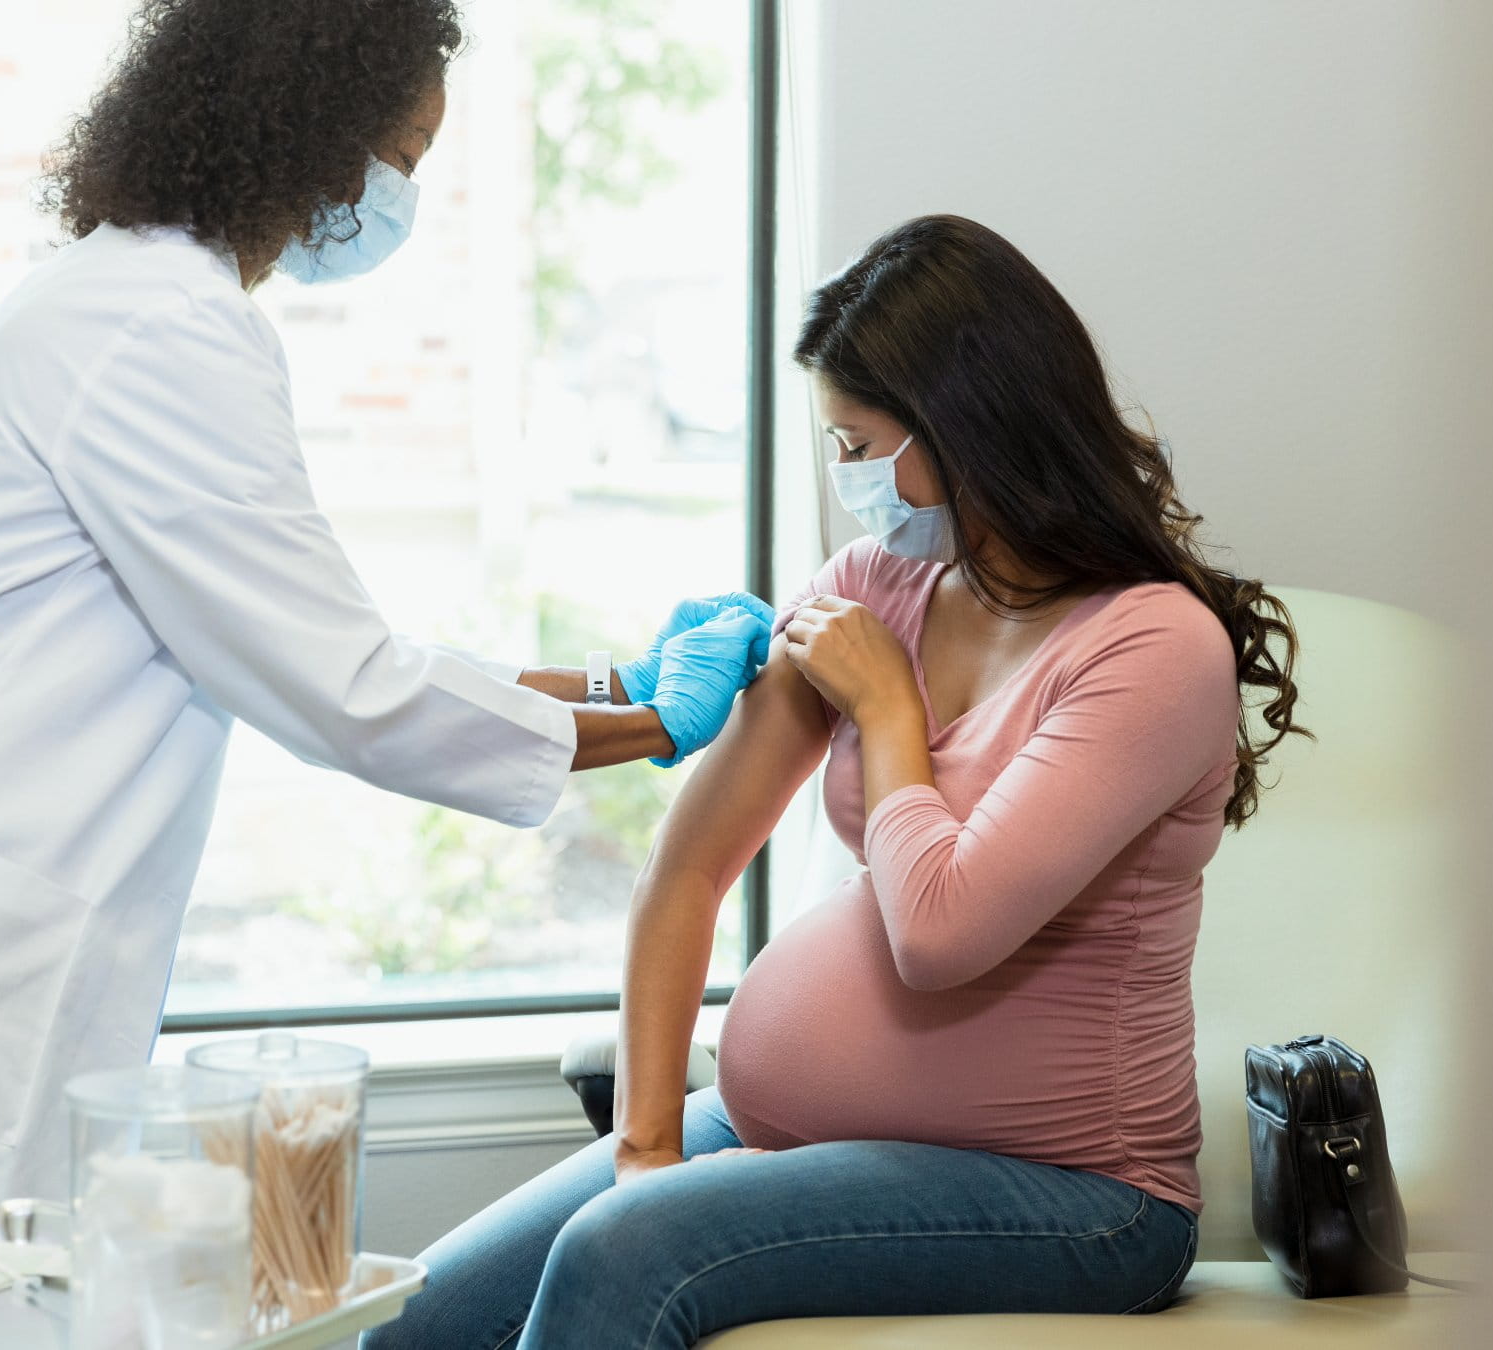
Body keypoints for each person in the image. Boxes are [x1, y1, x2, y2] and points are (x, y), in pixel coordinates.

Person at [0, 0, 771, 1278]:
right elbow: (342, 688)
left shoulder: (132, 300)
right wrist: (654, 724)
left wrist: (613, 679)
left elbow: (310, 637)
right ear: (303, 132)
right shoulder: (156, 326)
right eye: (401, 165)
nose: (394, 201)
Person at [366, 214, 1309, 1349]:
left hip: (1076, 1197)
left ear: (965, 432)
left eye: (860, 445)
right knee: (412, 1321)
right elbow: (687, 869)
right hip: (790, 1138)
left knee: (629, 1258)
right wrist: (647, 1150)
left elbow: (943, 932)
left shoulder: (1153, 650)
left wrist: (887, 709)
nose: (847, 480)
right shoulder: (877, 587)